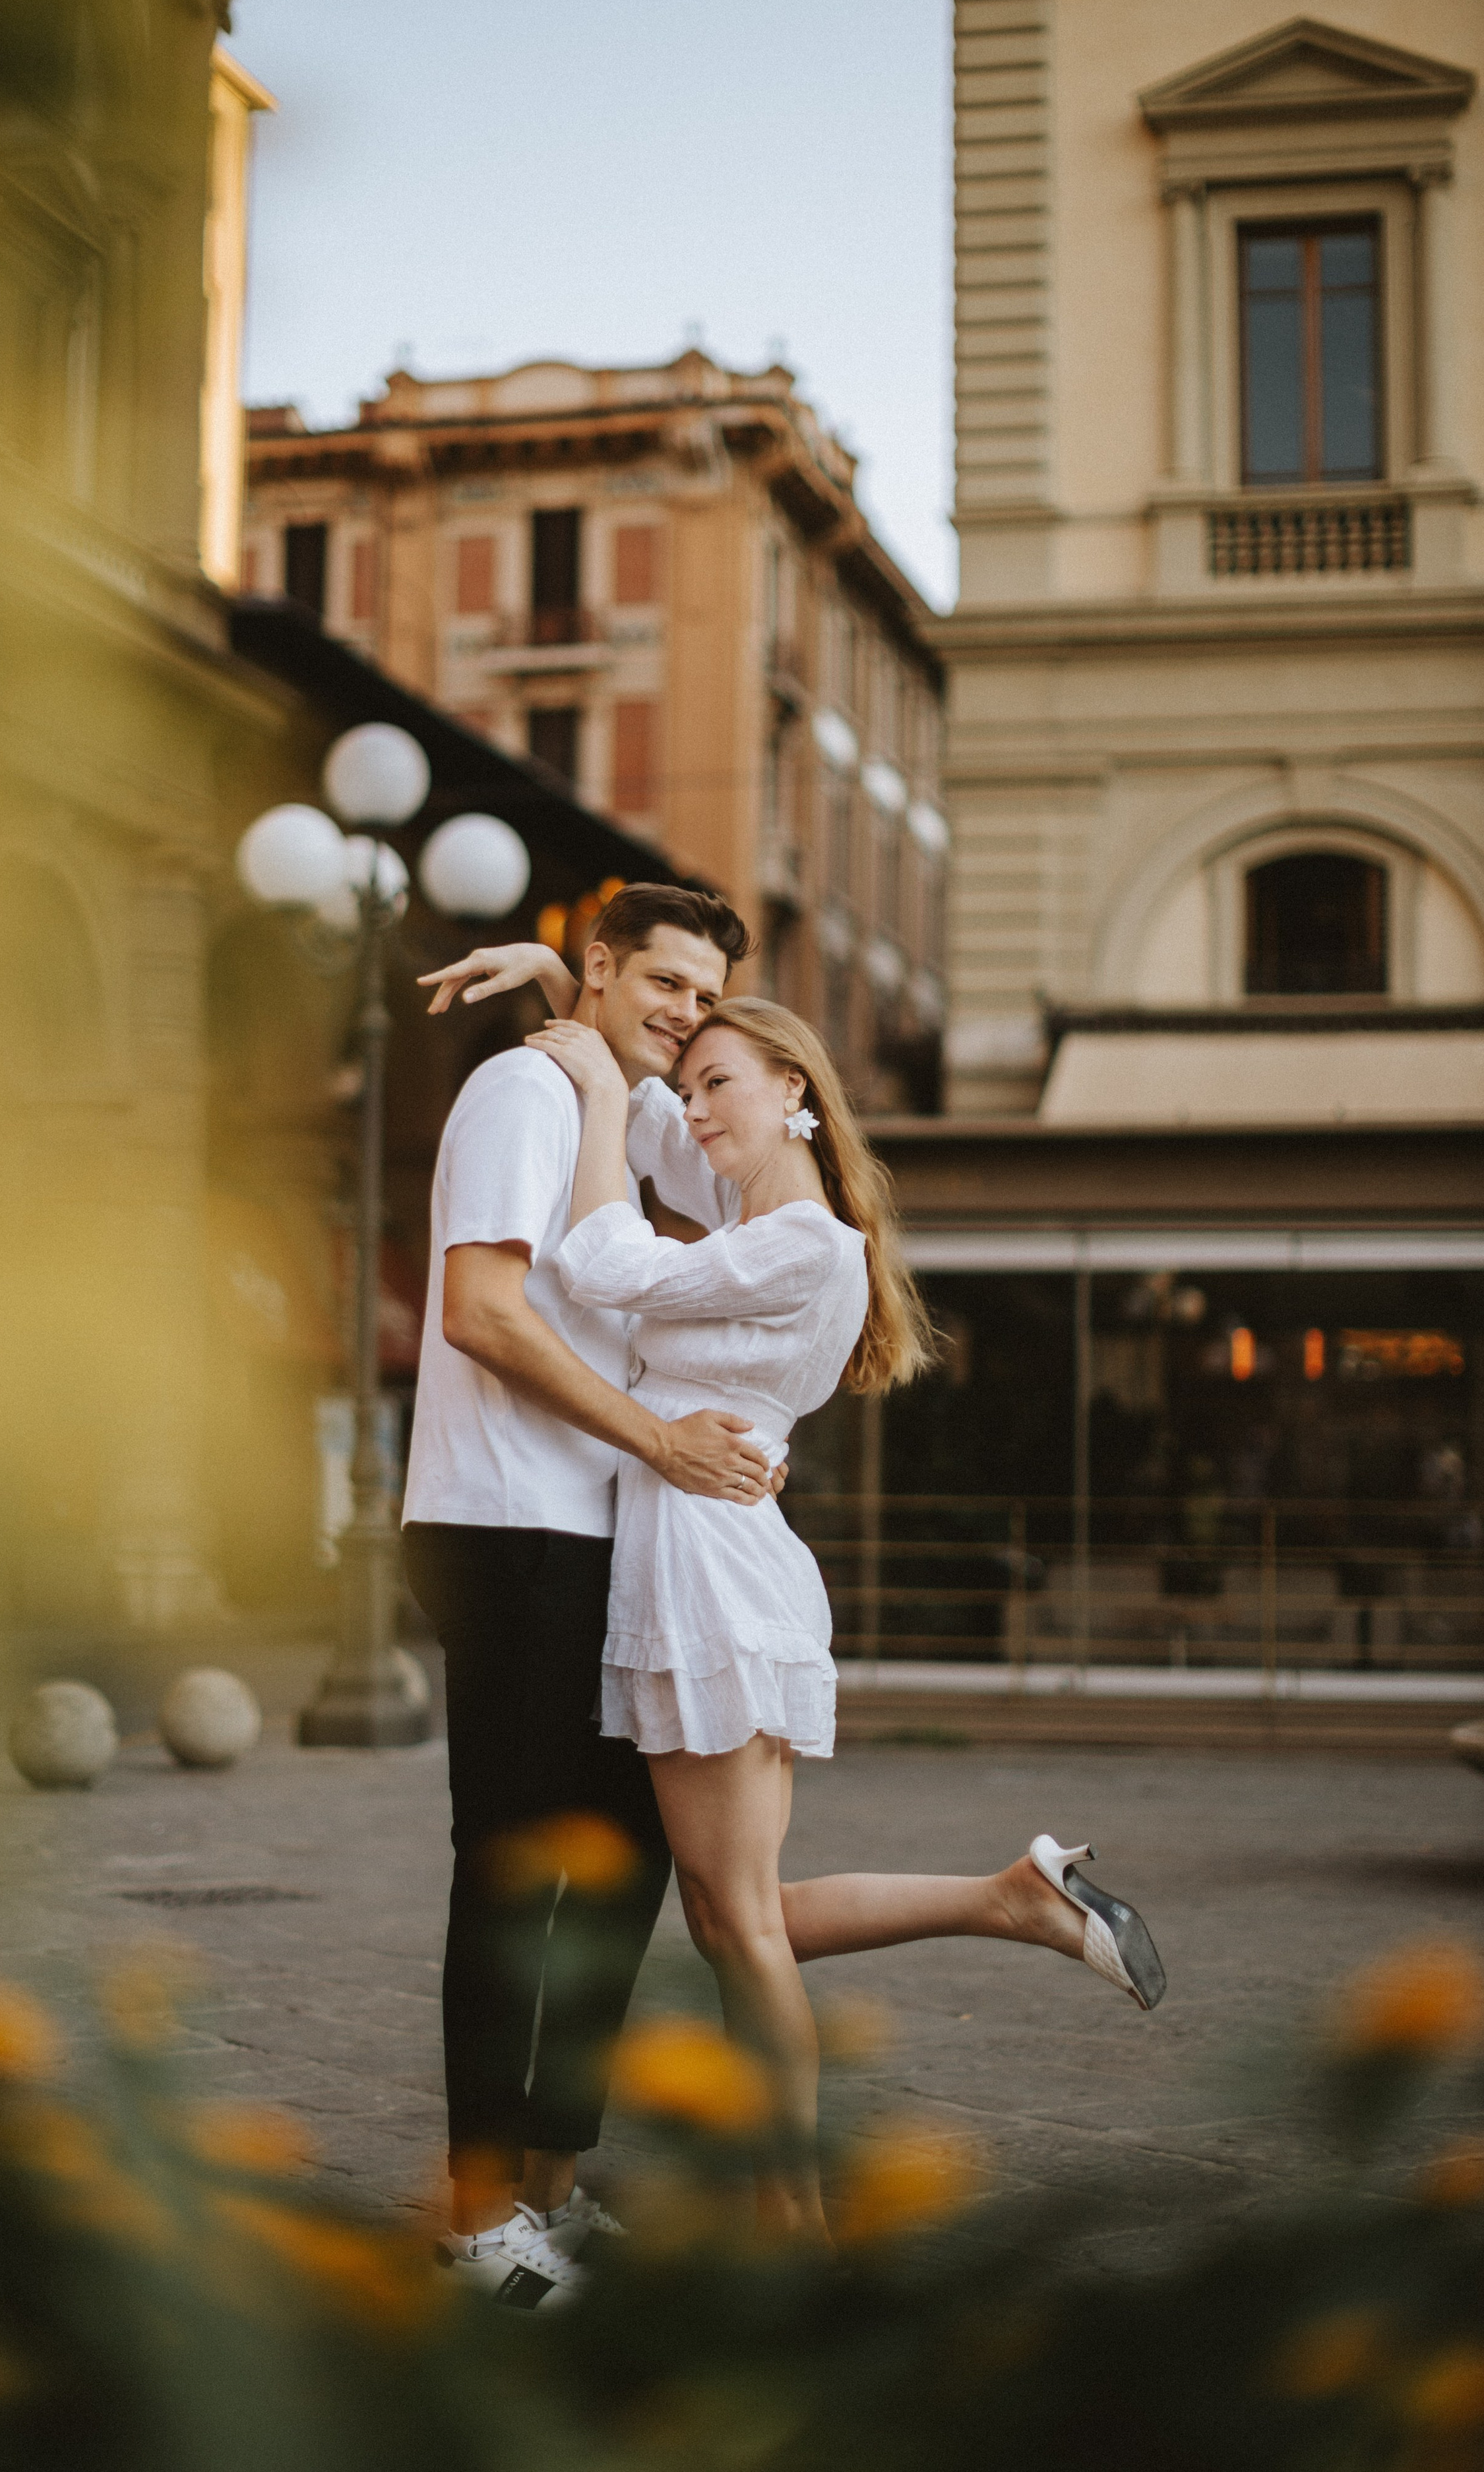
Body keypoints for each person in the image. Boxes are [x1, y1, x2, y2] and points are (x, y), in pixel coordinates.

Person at [514, 989, 1167, 2243]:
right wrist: (582, 1004)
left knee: (739, 1924)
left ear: (798, 1090)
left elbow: (598, 1259)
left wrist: (598, 1087)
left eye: (722, 1083)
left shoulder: (799, 1238)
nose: (695, 1107)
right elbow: (657, 1139)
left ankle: (793, 2218)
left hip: (706, 1568)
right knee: (735, 1912)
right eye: (689, 1082)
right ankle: (1013, 1898)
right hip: (715, 1555)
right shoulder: (753, 1221)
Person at [402, 883, 775, 2307]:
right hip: (504, 1531)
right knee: (514, 1876)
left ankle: (551, 2186)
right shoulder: (526, 1089)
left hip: (606, 1537)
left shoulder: (626, 1101)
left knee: (614, 1866)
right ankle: (472, 2215)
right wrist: (661, 1441)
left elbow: (742, 1171)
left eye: (703, 995)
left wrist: (572, 982)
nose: (684, 1013)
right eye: (662, 982)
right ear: (612, 972)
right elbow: (481, 1313)